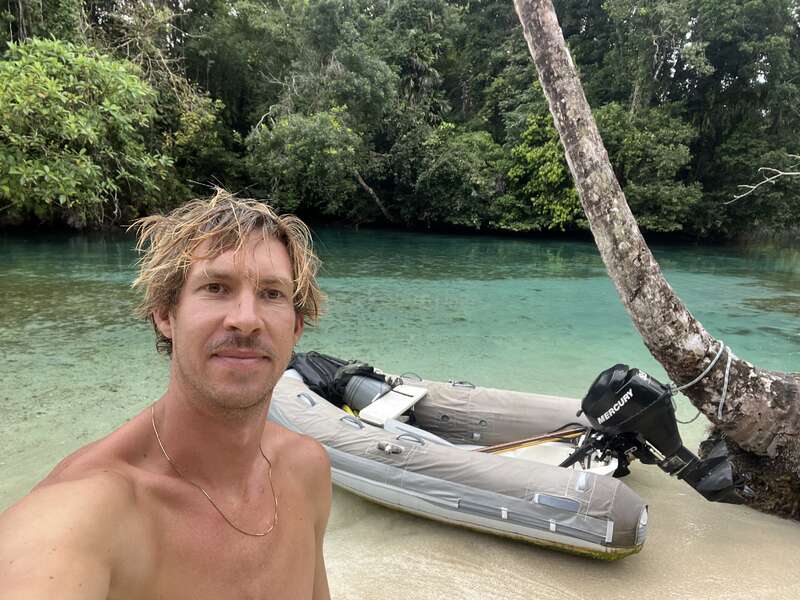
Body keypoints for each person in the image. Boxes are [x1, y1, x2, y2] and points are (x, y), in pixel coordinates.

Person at [0, 190, 332, 599]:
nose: (246, 320)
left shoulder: (306, 470)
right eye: (216, 287)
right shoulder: (86, 516)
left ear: (296, 327)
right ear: (165, 314)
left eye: (272, 294)